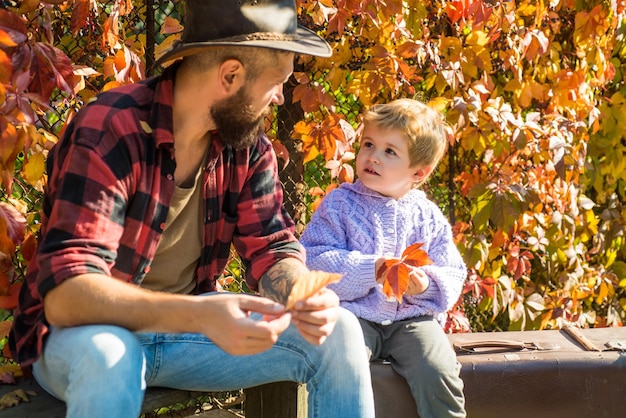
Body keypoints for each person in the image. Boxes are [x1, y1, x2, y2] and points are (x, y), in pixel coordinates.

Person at [8, 1, 375, 417]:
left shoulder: (248, 146)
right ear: (231, 75)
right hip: (83, 337)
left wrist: (298, 292)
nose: (279, 97)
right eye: (278, 82)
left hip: (188, 337)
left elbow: (272, 248)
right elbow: (67, 296)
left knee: (339, 331)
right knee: (113, 355)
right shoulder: (111, 128)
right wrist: (198, 315)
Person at [300, 98, 467, 418]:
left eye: (389, 151)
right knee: (340, 364)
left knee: (438, 369)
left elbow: (453, 270)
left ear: (418, 171)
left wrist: (426, 285)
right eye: (368, 144)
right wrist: (369, 269)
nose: (373, 157)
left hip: (412, 319)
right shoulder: (339, 204)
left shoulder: (426, 215)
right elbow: (314, 258)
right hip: (354, 316)